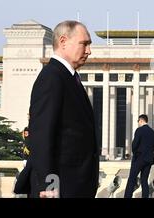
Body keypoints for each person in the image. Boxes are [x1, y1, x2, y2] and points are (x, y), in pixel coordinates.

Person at [15, 20, 99, 198]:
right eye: (84, 44)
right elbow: (42, 135)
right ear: (63, 42)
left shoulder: (69, 78)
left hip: (74, 185)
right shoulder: (52, 78)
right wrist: (49, 184)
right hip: (59, 187)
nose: (89, 51)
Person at [124, 114, 154, 198]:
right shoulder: (153, 132)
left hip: (139, 158)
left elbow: (134, 144)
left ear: (141, 120)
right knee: (144, 181)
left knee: (132, 179)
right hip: (149, 159)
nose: (138, 123)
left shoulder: (139, 130)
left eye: (138, 121)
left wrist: (135, 153)